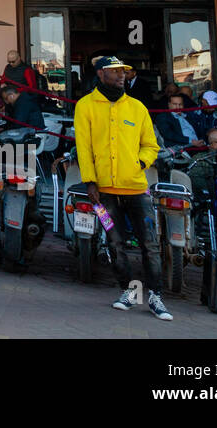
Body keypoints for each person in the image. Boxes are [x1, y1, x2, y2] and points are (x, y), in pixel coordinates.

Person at [73, 55, 172, 321]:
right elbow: (84, 147)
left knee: (149, 244)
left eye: (124, 72)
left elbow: (151, 145)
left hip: (138, 189)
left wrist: (140, 162)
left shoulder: (137, 108)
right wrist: (90, 182)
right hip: (102, 192)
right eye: (115, 71)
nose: (121, 76)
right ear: (100, 74)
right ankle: (129, 291)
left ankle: (156, 297)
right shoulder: (85, 106)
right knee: (115, 243)